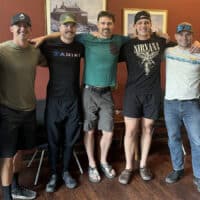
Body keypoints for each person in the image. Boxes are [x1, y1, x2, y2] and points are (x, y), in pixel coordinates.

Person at [118, 11, 200, 185]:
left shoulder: (161, 43)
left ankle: (142, 165)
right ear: (134, 26)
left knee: (148, 129)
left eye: (146, 22)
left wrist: (197, 44)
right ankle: (128, 167)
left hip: (153, 93)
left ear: (151, 25)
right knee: (131, 130)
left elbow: (185, 45)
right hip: (133, 93)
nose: (143, 26)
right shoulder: (127, 45)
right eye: (140, 23)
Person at [0, 13, 46, 200]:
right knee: (6, 156)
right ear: (11, 28)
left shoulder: (35, 52)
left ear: (30, 29)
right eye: (18, 25)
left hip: (29, 111)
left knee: (20, 152)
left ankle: (16, 188)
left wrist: (43, 39)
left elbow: (51, 61)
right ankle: (6, 195)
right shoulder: (2, 50)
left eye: (26, 25)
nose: (22, 29)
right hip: (8, 112)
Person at [39, 13, 84, 192]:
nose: (69, 28)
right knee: (53, 141)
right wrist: (45, 36)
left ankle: (65, 172)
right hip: (54, 102)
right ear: (59, 27)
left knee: (69, 140)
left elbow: (97, 40)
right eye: (65, 25)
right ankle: (53, 174)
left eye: (72, 25)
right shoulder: (49, 45)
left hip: (73, 100)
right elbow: (31, 44)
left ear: (76, 28)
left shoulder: (80, 47)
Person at [164, 22, 200, 192]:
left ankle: (199, 175)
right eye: (181, 34)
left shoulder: (199, 53)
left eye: (188, 34)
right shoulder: (168, 51)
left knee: (198, 141)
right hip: (170, 103)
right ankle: (177, 169)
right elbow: (152, 39)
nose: (184, 37)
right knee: (173, 139)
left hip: (192, 104)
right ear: (176, 36)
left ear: (192, 36)